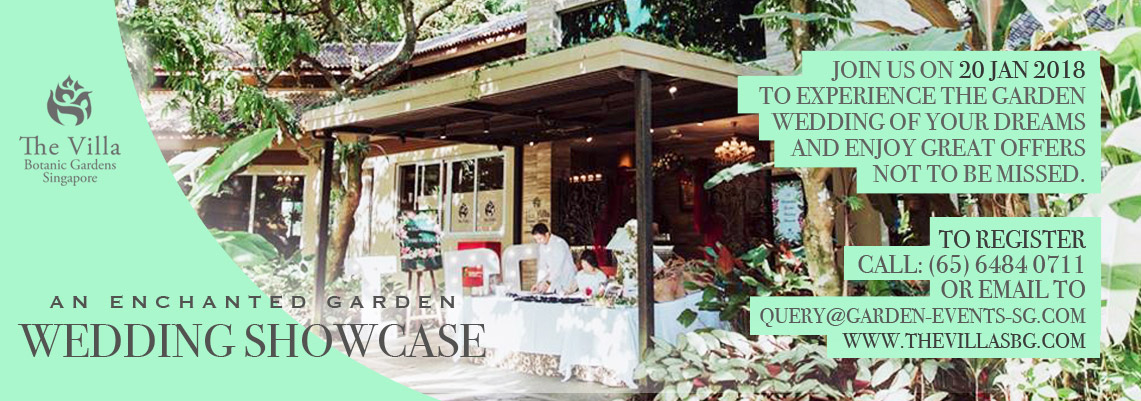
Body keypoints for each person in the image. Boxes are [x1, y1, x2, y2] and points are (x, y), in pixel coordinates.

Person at [530, 223, 576, 294]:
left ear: (547, 234)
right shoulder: (542, 246)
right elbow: (542, 266)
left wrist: (547, 283)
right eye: (536, 240)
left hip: (567, 279)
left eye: (540, 239)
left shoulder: (559, 244)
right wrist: (538, 283)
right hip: (555, 281)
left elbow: (557, 267)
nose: (538, 242)